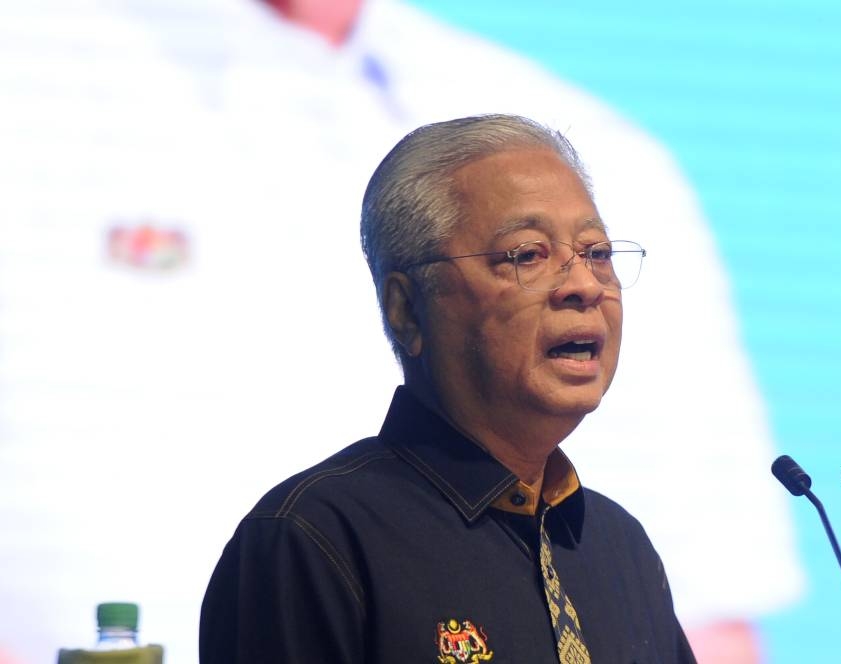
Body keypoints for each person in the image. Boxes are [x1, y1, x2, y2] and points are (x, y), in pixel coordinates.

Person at [199, 114, 697, 663]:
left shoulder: (619, 546)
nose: (583, 285)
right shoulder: (314, 538)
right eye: (527, 254)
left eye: (597, 253)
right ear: (407, 309)